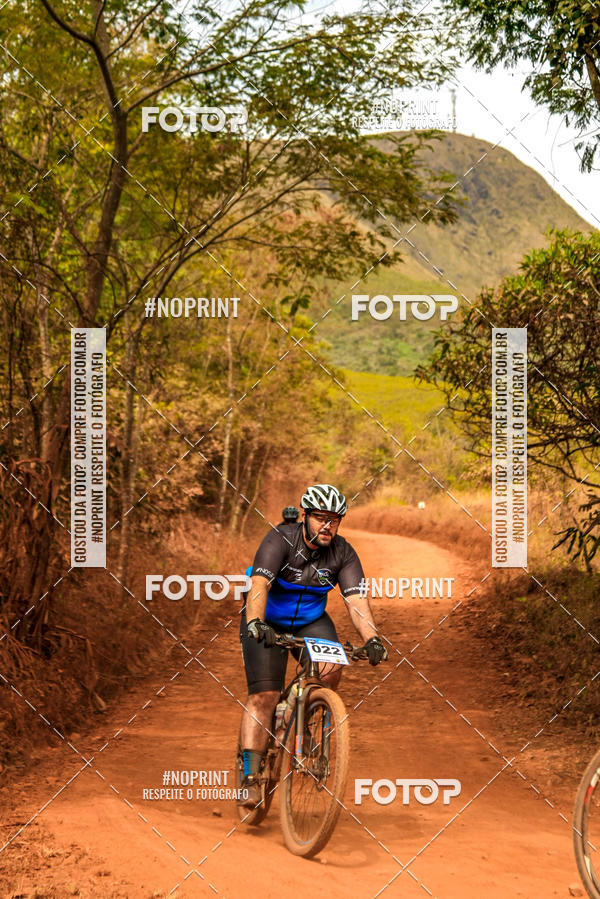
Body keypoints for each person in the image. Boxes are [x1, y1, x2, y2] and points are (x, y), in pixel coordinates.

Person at [237, 483, 388, 807]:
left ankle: (304, 717)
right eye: (320, 518)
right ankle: (250, 776)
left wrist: (372, 639)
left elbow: (356, 599)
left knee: (332, 669)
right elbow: (259, 584)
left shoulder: (343, 552)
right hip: (268, 619)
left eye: (334, 520)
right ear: (305, 517)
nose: (327, 526)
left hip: (310, 620)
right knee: (264, 695)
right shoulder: (280, 539)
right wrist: (255, 622)